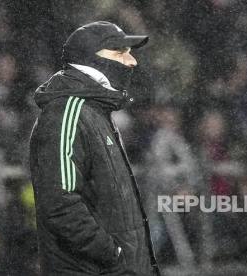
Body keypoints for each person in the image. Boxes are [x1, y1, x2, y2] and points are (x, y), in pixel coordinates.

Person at [29, 21, 159, 275]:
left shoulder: (94, 112)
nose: (131, 61)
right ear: (92, 60)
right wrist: (113, 255)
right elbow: (59, 204)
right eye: (120, 52)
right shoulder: (67, 112)